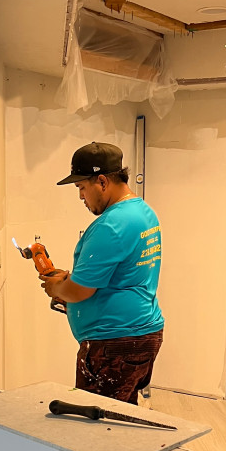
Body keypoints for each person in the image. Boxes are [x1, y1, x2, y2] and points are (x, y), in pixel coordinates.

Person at [40, 141, 164, 405]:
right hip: (138, 336)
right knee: (121, 414)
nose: (81, 196)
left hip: (114, 344)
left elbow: (79, 290)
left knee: (102, 428)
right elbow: (117, 272)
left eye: (82, 187)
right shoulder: (143, 212)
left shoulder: (110, 225)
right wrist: (69, 279)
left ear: (102, 181)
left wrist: (56, 288)